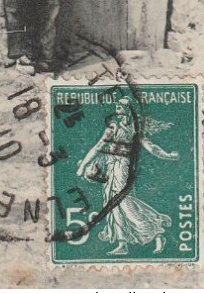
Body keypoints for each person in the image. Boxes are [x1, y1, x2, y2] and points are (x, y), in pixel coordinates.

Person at [76, 96, 178, 256]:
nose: (119, 111)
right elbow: (98, 147)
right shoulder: (112, 127)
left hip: (123, 167)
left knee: (124, 203)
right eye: (117, 109)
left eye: (121, 108)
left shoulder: (135, 129)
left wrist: (168, 155)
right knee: (113, 205)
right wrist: (83, 167)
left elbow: (150, 147)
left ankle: (156, 229)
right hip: (110, 166)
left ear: (129, 111)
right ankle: (123, 243)